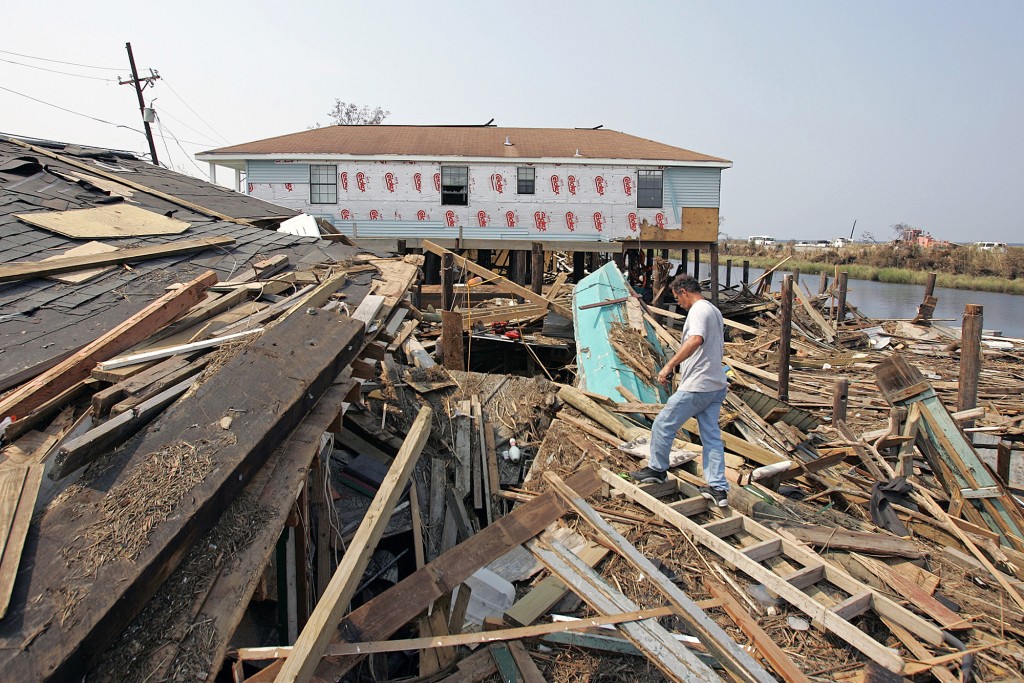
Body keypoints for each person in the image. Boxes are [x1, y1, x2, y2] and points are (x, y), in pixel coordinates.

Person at [629, 274, 730, 507]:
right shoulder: (713, 310)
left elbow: (695, 339)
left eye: (678, 298)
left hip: (698, 385)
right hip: (716, 384)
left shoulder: (698, 311)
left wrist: (669, 365)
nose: (679, 303)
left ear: (684, 291)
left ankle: (657, 469)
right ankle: (718, 488)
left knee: (663, 424)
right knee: (711, 437)